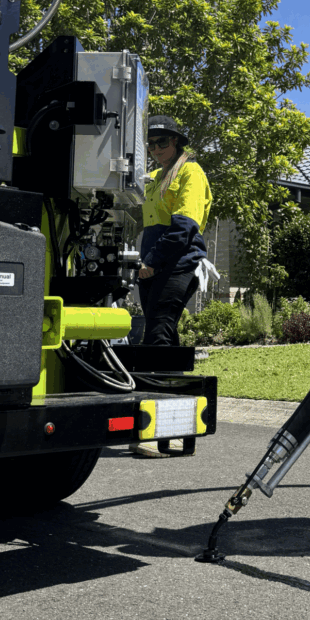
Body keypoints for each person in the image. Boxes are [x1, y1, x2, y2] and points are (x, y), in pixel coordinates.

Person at [130, 114, 216, 457]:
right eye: (150, 143)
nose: (155, 149)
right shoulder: (153, 178)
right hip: (155, 262)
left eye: (162, 142)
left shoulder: (190, 172)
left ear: (177, 143)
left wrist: (152, 260)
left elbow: (183, 229)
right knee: (164, 337)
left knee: (157, 337)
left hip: (177, 261)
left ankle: (154, 431)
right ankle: (178, 427)